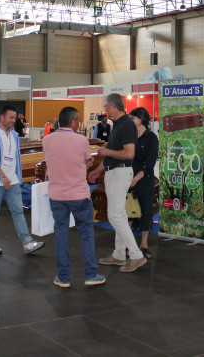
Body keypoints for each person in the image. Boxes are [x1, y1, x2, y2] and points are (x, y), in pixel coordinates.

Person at [43, 106, 105, 288]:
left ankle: (63, 277)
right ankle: (90, 274)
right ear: (73, 121)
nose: (78, 124)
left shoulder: (47, 140)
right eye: (78, 121)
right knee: (86, 234)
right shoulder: (81, 140)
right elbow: (84, 165)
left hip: (57, 195)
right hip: (78, 195)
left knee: (61, 235)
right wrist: (88, 163)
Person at [88, 93, 146, 273]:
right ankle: (120, 254)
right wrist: (98, 171)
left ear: (113, 106)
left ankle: (136, 255)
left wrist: (105, 152)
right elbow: (115, 154)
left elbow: (129, 154)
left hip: (120, 173)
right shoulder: (119, 125)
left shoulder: (126, 125)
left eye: (106, 107)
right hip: (115, 172)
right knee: (119, 214)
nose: (105, 110)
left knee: (115, 216)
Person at [0, 105, 44, 256]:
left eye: (14, 118)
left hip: (14, 181)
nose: (13, 120)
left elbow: (15, 158)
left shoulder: (15, 136)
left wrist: (16, 177)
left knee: (18, 211)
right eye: (10, 117)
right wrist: (3, 177)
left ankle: (27, 242)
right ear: (2, 117)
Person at [128, 106, 159, 259]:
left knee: (146, 212)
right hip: (128, 178)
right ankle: (128, 244)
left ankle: (144, 244)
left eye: (132, 117)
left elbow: (150, 163)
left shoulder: (152, 138)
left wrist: (136, 178)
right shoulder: (130, 136)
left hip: (144, 179)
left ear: (140, 119)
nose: (130, 120)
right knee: (129, 212)